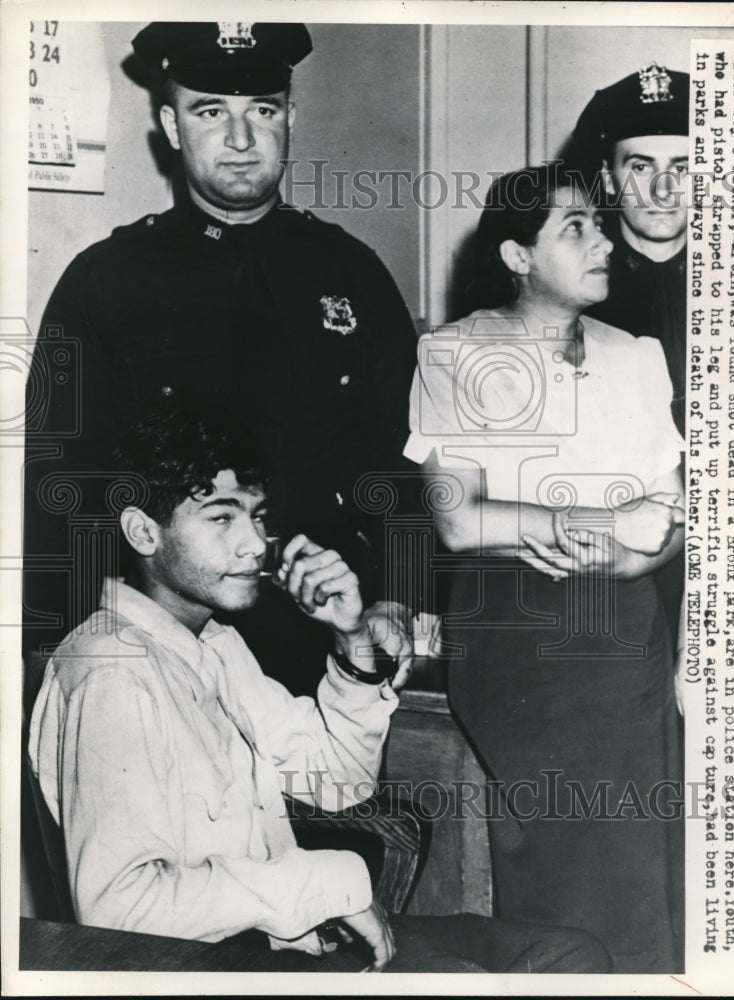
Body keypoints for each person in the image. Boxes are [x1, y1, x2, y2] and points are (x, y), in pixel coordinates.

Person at [27, 402, 611, 974]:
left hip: (292, 942)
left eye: (258, 516)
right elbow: (120, 910)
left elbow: (339, 784)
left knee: (567, 955)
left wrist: (350, 635)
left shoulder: (212, 645)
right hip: (217, 966)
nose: (256, 543)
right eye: (222, 517)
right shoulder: (112, 669)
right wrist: (333, 886)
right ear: (142, 531)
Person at [23, 21, 417, 696]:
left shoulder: (351, 272)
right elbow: (59, 475)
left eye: (261, 110)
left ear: (289, 117)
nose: (241, 139)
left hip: (320, 622)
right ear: (172, 127)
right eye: (210, 111)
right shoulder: (107, 281)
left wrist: (401, 598)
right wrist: (54, 639)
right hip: (163, 642)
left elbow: (402, 455)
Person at [405, 165, 685, 971]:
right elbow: (459, 522)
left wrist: (635, 560)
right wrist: (605, 521)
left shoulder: (635, 356)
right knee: (564, 865)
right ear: (518, 255)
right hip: (519, 638)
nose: (604, 242)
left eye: (601, 226)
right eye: (577, 230)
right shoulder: (454, 352)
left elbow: (672, 513)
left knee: (640, 862)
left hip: (629, 627)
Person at [572, 63, 689, 646]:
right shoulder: (570, 286)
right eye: (641, 167)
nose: (663, 190)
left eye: (684, 168)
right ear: (609, 178)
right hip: (610, 564)